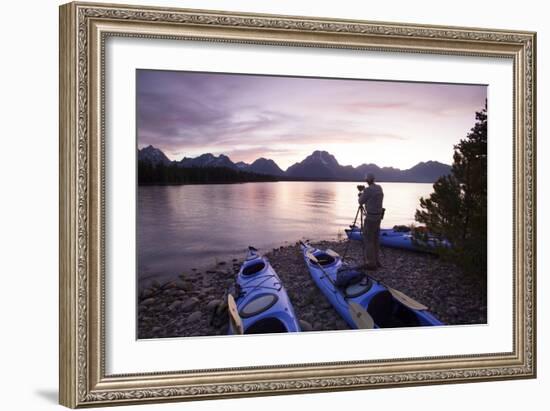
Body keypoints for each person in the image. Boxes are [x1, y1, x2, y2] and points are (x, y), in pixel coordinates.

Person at [358, 173, 384, 270]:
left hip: (370, 218)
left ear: (367, 181)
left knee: (368, 239)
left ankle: (371, 263)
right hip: (378, 217)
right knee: (375, 239)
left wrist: (361, 195)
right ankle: (377, 261)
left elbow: (361, 201)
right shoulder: (379, 188)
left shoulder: (368, 190)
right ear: (374, 179)